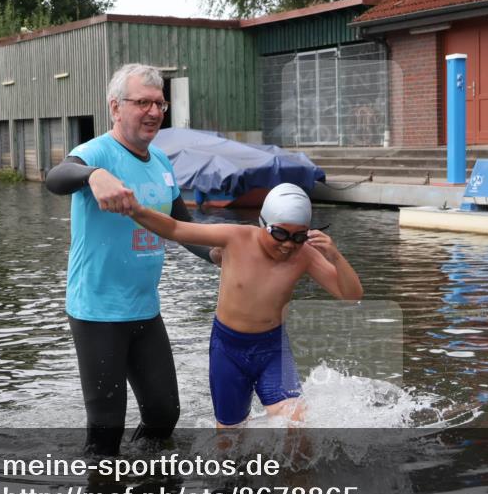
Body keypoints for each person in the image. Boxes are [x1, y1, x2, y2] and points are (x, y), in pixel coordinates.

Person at [45, 63, 220, 456]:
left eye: (159, 103)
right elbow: (56, 177)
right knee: (106, 431)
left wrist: (219, 253)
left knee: (163, 414)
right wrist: (92, 176)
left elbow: (182, 226)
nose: (154, 112)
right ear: (115, 108)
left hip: (144, 309)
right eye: (143, 102)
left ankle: (148, 492)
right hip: (97, 311)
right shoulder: (94, 153)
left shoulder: (161, 162)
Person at [125, 183, 363, 427]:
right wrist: (135, 210)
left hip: (272, 350)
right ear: (262, 223)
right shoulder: (235, 238)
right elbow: (175, 228)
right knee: (229, 436)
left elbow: (351, 295)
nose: (288, 244)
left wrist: (334, 256)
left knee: (296, 424)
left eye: (298, 237)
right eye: (280, 233)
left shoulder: (306, 255)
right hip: (228, 350)